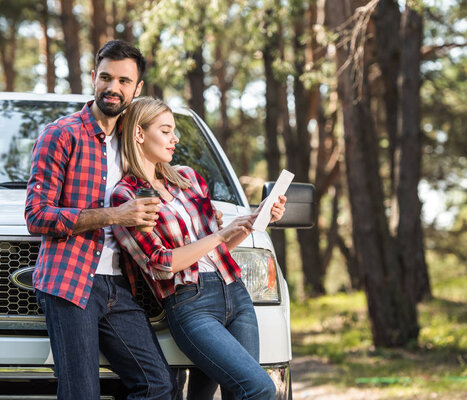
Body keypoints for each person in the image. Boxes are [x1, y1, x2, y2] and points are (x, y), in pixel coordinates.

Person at [25, 41, 175, 400]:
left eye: (124, 81)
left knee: (157, 384)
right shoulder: (61, 135)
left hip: (120, 286)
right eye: (106, 77)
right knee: (81, 393)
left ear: (137, 90)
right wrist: (115, 215)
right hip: (70, 281)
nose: (113, 87)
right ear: (93, 78)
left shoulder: (134, 141)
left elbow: (171, 178)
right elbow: (37, 215)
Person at [111, 97, 286, 400]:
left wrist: (256, 221)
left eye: (174, 131)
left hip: (235, 292)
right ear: (139, 134)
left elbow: (215, 249)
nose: (174, 139)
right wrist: (219, 236)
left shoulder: (188, 178)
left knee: (232, 393)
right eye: (165, 131)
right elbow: (161, 263)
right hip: (190, 304)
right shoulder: (125, 195)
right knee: (259, 388)